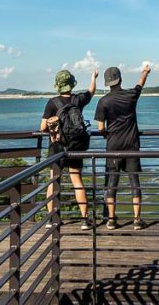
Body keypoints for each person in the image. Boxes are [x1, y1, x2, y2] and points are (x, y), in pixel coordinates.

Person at [95, 63, 151, 230]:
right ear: (120, 79)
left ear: (107, 83)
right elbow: (140, 83)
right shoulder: (130, 95)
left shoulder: (103, 101)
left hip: (113, 146)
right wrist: (145, 72)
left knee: (112, 182)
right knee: (134, 182)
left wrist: (107, 134)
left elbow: (100, 128)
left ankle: (111, 220)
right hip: (132, 145)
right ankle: (136, 220)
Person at [41, 68, 98, 230]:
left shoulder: (52, 103)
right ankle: (84, 220)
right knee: (77, 181)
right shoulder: (78, 100)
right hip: (75, 146)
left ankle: (51, 219)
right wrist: (93, 77)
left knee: (53, 181)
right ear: (72, 84)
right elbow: (91, 91)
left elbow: (43, 126)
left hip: (57, 147)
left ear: (58, 86)